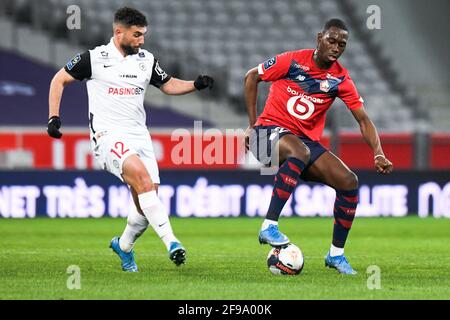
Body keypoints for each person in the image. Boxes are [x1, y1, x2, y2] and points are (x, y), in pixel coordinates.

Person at [47, 7, 214, 272]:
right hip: (108, 136)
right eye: (136, 35)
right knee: (144, 181)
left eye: (143, 35)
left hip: (140, 136)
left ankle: (123, 247)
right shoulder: (94, 58)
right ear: (118, 32)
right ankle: (172, 243)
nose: (141, 40)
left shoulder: (146, 60)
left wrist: (196, 84)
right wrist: (53, 118)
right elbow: (59, 80)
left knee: (146, 202)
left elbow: (167, 84)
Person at [243, 18, 393, 275]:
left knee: (348, 181)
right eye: (331, 41)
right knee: (299, 151)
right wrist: (252, 124)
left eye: (342, 44)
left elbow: (363, 119)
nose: (336, 47)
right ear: (319, 38)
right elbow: (251, 77)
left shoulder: (340, 80)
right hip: (265, 134)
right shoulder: (291, 61)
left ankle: (336, 255)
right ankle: (269, 225)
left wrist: (378, 152)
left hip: (301, 143)